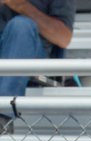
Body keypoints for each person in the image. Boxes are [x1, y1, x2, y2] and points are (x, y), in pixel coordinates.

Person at [0, 0, 76, 133]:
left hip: (34, 56)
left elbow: (64, 37)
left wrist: (21, 6)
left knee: (21, 25)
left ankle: (2, 117)